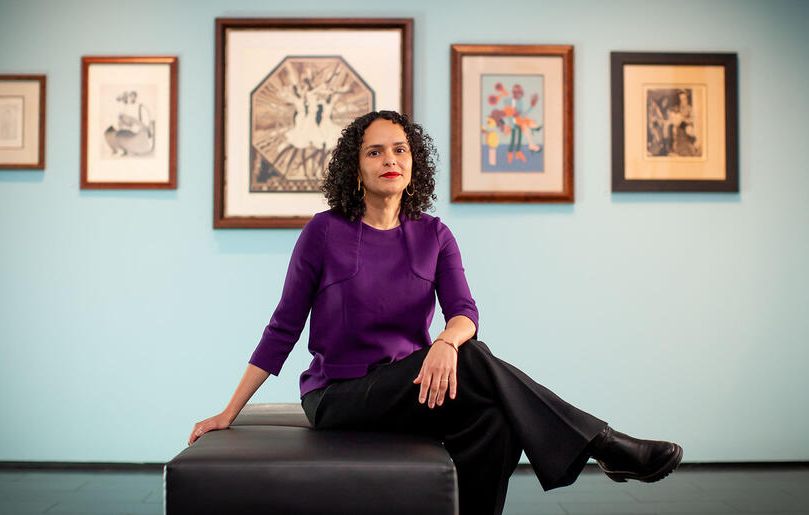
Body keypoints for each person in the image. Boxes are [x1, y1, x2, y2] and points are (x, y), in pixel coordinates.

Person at [189, 110, 683, 515]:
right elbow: (283, 326)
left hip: (414, 389)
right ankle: (604, 444)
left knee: (496, 417)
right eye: (374, 151)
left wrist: (446, 342)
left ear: (413, 163)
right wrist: (227, 414)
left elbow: (464, 312)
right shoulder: (323, 232)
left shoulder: (434, 234)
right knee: (476, 358)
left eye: (399, 149)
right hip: (339, 396)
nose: (389, 159)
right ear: (355, 168)